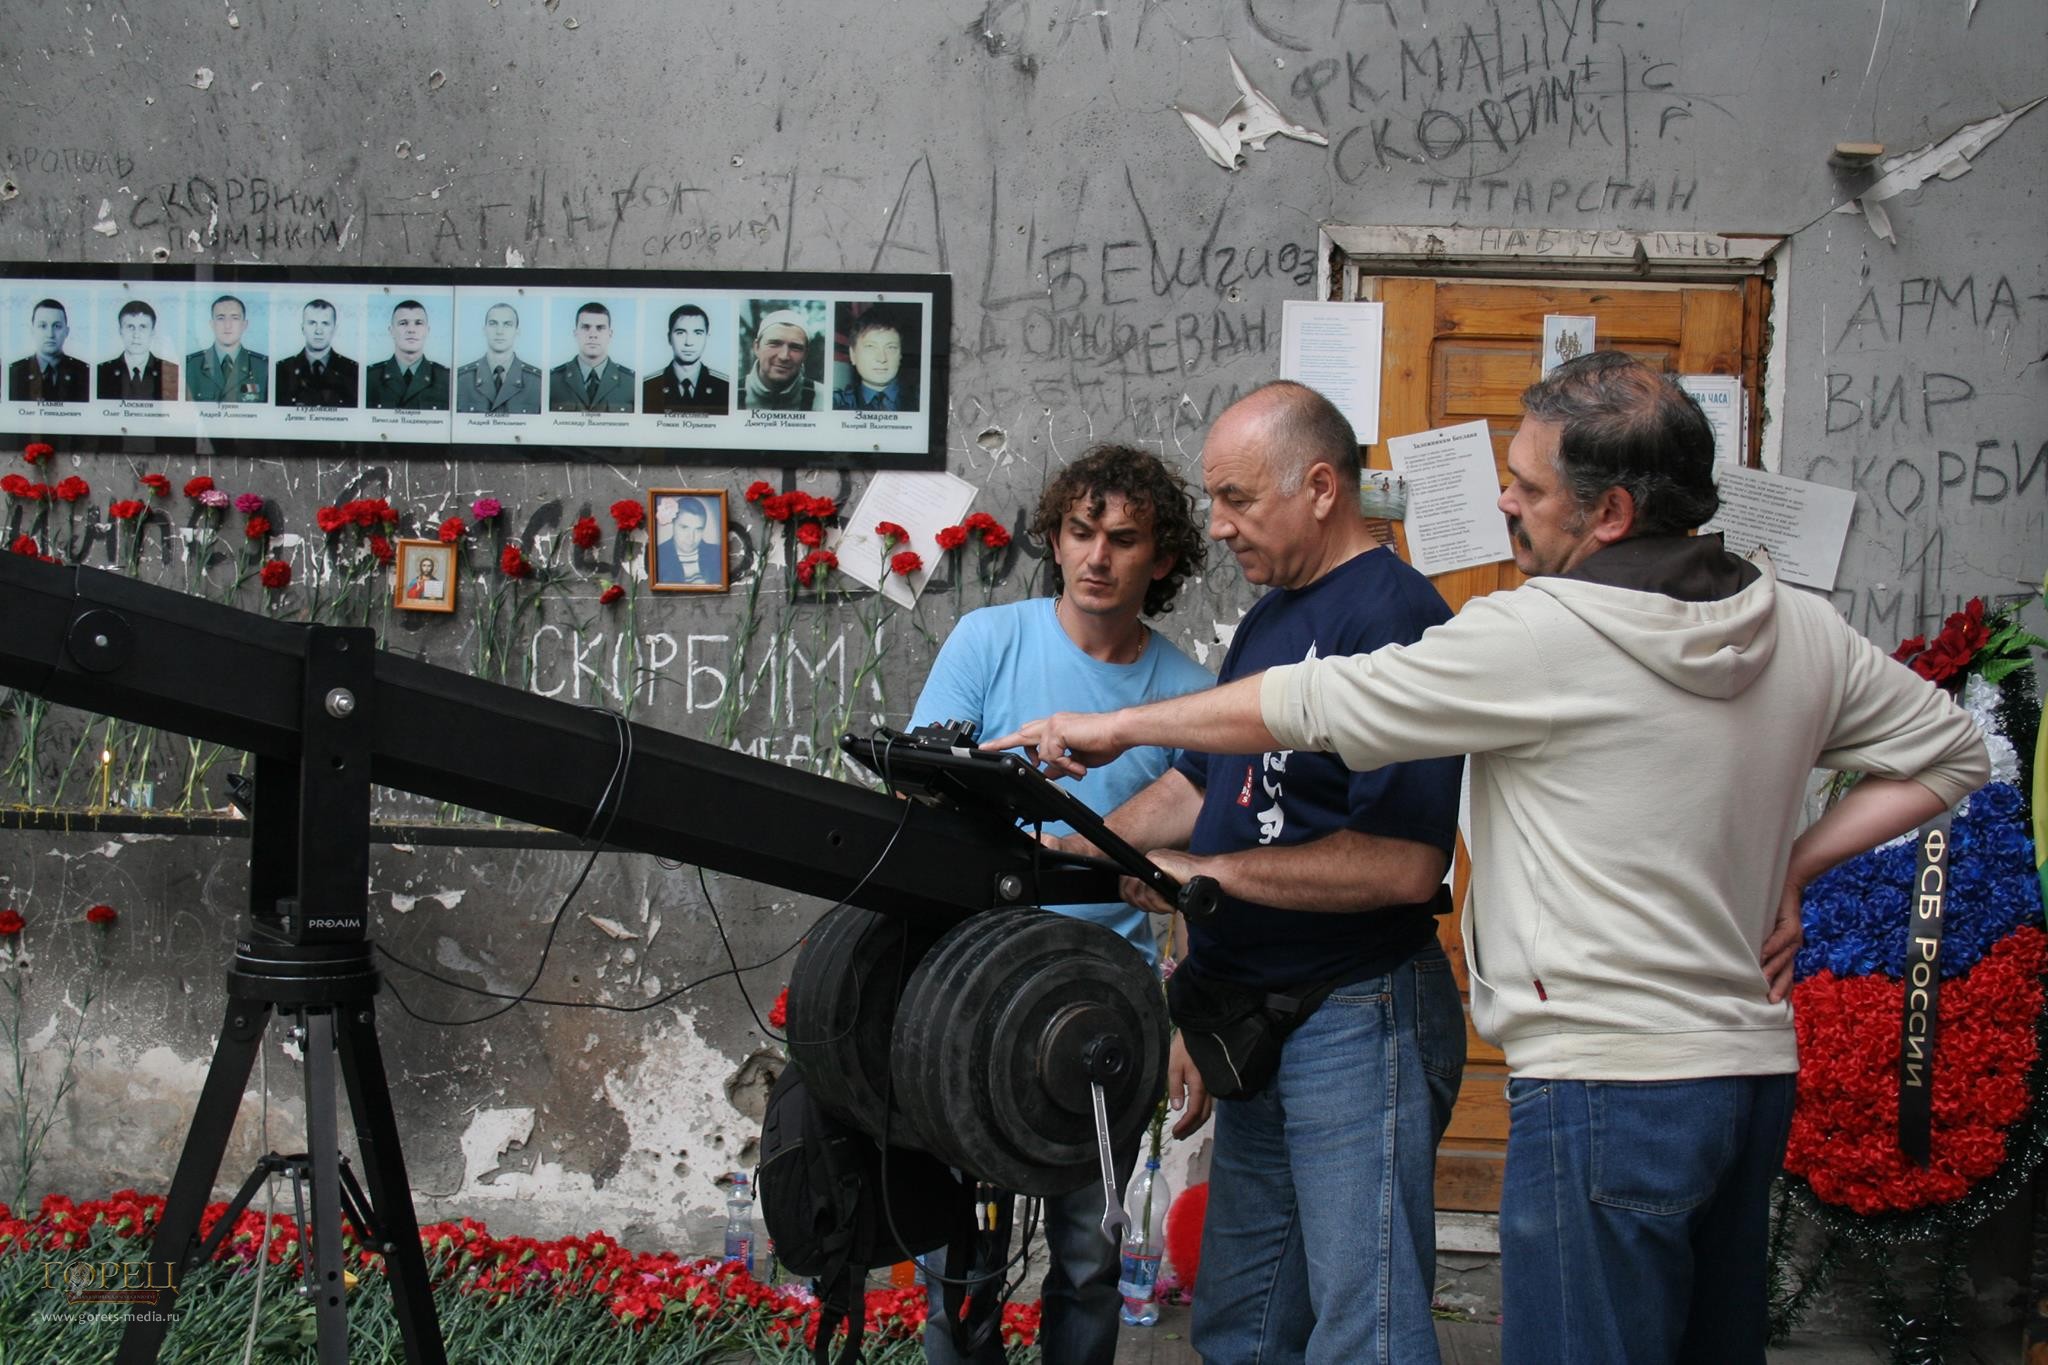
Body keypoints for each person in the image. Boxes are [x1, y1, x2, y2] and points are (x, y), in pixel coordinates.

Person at [989, 355, 1992, 1365]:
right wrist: (1796, 862)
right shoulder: (1797, 628)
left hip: (1602, 1083)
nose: (1501, 500)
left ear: (1605, 513)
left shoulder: (1542, 632)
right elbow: (1951, 750)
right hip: (1747, 1077)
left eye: (1526, 485)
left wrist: (1111, 728)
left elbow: (1314, 706)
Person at [912, 444, 1211, 1365]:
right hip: (971, 999)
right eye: (1081, 532)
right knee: (959, 1264)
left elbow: (1205, 875)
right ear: (1055, 536)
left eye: (1123, 539)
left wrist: (1187, 1022)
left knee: (1087, 1258)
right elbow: (914, 800)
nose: (1097, 557)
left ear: (1161, 560)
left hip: (1104, 1015)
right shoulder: (987, 641)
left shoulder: (1192, 695)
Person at [456, 303, 543, 414]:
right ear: (484, 330)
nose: (499, 331)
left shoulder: (537, 382)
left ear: (517, 332)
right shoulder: (461, 379)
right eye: (493, 324)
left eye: (507, 324)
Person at [547, 302, 634, 412]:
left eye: (600, 328)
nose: (593, 334)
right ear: (575, 333)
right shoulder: (552, 381)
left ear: (610, 334)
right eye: (585, 327)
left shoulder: (631, 383)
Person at [642, 304, 730, 414]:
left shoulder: (725, 387)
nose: (689, 342)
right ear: (669, 338)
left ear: (706, 337)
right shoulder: (648, 387)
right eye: (680, 333)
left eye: (698, 333)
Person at [366, 299, 451, 411]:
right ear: (391, 331)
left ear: (427, 331)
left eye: (418, 323)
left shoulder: (446, 379)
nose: (411, 330)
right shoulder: (369, 378)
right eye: (403, 323)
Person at [184, 294, 270, 403]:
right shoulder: (190, 366)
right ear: (212, 324)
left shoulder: (264, 367)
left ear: (244, 325)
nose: (227, 325)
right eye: (220, 318)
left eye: (235, 318)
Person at [274, 298, 359, 408]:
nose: (318, 331)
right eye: (312, 323)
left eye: (325, 323)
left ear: (334, 329)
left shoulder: (353, 371)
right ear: (302, 328)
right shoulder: (281, 370)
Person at [833, 308, 918, 411]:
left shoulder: (921, 401)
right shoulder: (837, 403)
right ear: (853, 355)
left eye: (891, 347)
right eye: (870, 347)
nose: (882, 358)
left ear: (900, 355)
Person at [8, 298, 91, 403]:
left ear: (66, 331)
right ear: (32, 331)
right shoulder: (14, 373)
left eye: (57, 326)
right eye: (42, 326)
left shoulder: (84, 372)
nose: (50, 334)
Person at [97, 300, 179, 402]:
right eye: (130, 327)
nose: (136, 335)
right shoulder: (101, 372)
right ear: (120, 331)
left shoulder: (171, 372)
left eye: (143, 327)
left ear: (152, 332)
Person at [739, 308, 820, 411]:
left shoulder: (825, 398)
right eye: (774, 344)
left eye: (795, 347)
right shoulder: (730, 393)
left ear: (805, 354)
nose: (784, 356)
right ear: (756, 347)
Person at [653, 495, 723, 586]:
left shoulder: (717, 553)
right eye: (684, 527)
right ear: (672, 524)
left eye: (698, 529)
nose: (691, 537)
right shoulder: (658, 555)